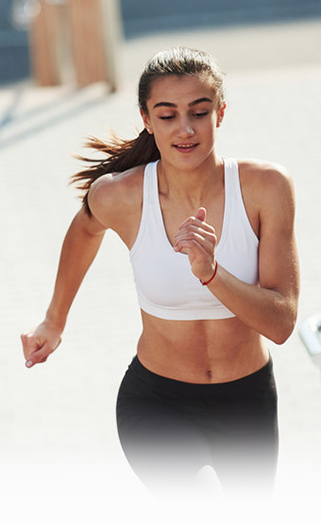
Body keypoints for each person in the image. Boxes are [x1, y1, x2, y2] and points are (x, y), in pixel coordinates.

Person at [21, 47, 300, 499]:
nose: (185, 129)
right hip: (157, 402)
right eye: (167, 115)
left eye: (199, 112)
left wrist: (211, 273)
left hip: (246, 401)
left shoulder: (265, 187)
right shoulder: (120, 196)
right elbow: (84, 232)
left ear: (220, 113)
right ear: (147, 119)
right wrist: (54, 320)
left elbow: (282, 322)